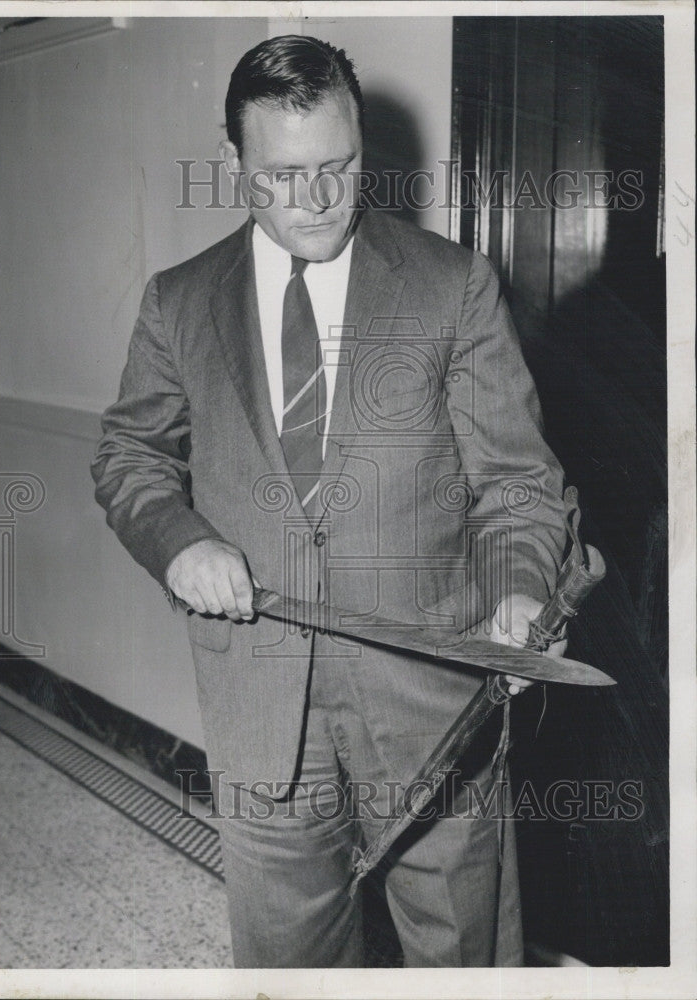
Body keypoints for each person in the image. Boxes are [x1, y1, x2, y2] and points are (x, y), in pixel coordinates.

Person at [92, 34, 567, 968]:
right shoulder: (178, 303)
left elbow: (516, 484)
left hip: (437, 708)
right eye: (284, 174)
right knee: (288, 965)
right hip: (260, 706)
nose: (315, 200)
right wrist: (177, 538)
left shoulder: (451, 286)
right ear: (235, 165)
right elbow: (130, 456)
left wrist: (518, 594)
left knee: (463, 960)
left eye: (339, 168)